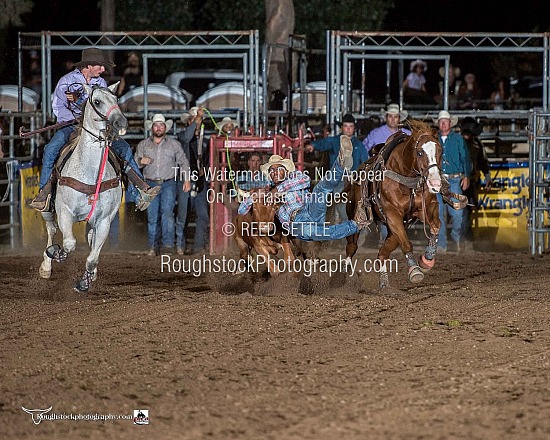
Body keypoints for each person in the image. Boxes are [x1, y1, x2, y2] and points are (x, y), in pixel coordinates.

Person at [30, 47, 160, 212]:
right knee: (50, 150)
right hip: (70, 126)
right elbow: (58, 106)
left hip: (98, 128)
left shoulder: (101, 83)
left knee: (124, 148)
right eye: (101, 66)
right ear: (89, 65)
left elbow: (105, 107)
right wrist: (76, 117)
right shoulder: (66, 81)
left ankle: (141, 191)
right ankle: (44, 193)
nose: (104, 69)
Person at [238, 138, 368, 242]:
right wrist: (252, 198)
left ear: (286, 171)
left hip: (310, 208)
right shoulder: (267, 190)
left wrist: (277, 190)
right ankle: (357, 225)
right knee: (320, 232)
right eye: (271, 171)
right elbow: (241, 210)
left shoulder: (294, 176)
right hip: (295, 224)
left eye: (278, 169)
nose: (274, 173)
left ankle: (341, 162)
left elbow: (305, 180)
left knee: (320, 188)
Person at [135, 114, 190, 256]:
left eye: (161, 125)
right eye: (156, 125)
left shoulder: (174, 144)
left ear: (165, 128)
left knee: (167, 214)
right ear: (151, 127)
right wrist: (141, 161)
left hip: (168, 183)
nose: (158, 128)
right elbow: (134, 163)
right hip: (150, 184)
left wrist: (186, 179)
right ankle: (153, 246)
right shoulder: (143, 144)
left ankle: (167, 245)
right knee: (153, 216)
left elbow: (183, 162)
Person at [304, 113, 368, 223]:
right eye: (346, 126)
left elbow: (365, 162)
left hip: (355, 180)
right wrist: (312, 146)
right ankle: (350, 225)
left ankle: (351, 225)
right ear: (342, 127)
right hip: (338, 179)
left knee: (357, 202)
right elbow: (322, 143)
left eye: (350, 126)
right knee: (341, 203)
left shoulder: (359, 145)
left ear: (354, 128)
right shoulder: (334, 141)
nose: (348, 129)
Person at [362, 103, 411, 242]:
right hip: (381, 174)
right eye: (391, 116)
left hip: (402, 177)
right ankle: (386, 238)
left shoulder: (407, 134)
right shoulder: (376, 133)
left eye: (396, 117)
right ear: (386, 117)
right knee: (381, 203)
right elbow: (365, 148)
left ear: (399, 119)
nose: (393, 119)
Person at [434, 110, 472, 253]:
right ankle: (442, 244)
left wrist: (466, 175)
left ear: (450, 123)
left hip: (454, 179)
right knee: (438, 214)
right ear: (438, 124)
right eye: (441, 121)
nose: (443, 124)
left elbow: (465, 158)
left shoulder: (458, 139)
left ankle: (455, 240)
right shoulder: (434, 139)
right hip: (438, 180)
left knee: (457, 214)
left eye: (446, 121)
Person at [178, 107, 210, 255]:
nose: (196, 122)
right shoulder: (182, 137)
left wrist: (206, 171)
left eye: (198, 120)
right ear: (189, 122)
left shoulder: (205, 141)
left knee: (203, 215)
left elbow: (209, 160)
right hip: (186, 179)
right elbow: (187, 136)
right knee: (183, 215)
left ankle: (198, 246)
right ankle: (181, 245)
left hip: (201, 181)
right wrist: (198, 118)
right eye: (193, 119)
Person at [460, 117, 492, 245]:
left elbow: (482, 162)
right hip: (457, 179)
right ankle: (463, 237)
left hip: (471, 180)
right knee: (463, 210)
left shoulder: (476, 143)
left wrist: (487, 176)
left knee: (467, 209)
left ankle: (465, 237)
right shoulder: (457, 142)